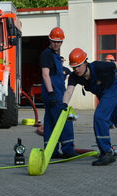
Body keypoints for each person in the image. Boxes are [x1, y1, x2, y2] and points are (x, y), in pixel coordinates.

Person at [39, 27, 77, 159]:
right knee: (64, 120)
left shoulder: (55, 56)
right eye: (54, 41)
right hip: (53, 94)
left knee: (50, 122)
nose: (57, 44)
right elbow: (45, 74)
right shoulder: (47, 55)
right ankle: (68, 149)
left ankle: (51, 150)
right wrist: (51, 93)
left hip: (55, 94)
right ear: (50, 40)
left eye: (59, 42)